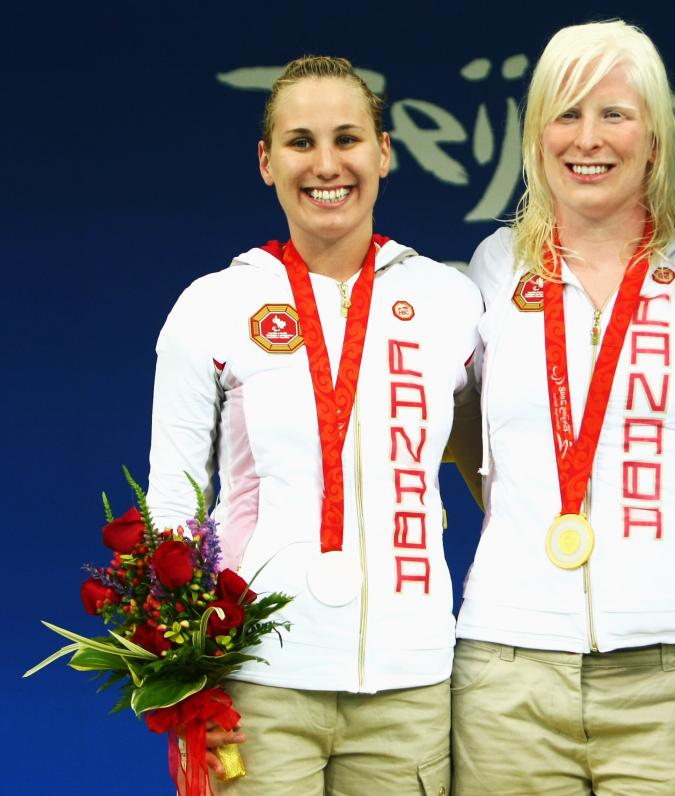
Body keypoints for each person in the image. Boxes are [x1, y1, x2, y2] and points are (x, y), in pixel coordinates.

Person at [146, 55, 481, 794]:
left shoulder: (450, 299)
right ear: (267, 163)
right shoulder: (213, 304)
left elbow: (502, 463)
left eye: (348, 138)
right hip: (262, 689)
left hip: (412, 687)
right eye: (300, 142)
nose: (326, 164)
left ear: (385, 152)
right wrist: (192, 681)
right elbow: (171, 505)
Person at [452, 20, 675, 795]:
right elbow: (447, 430)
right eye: (566, 112)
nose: (588, 138)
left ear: (655, 136)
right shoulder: (491, 269)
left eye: (614, 114)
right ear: (536, 132)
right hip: (505, 671)